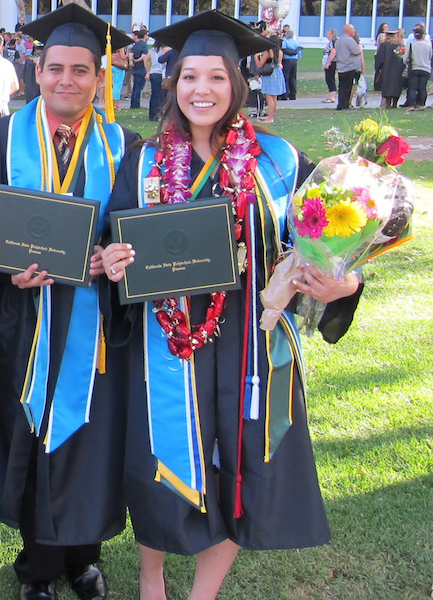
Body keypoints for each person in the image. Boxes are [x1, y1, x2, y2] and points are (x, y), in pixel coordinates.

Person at [99, 12, 363, 600]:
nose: (202, 90)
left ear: (236, 85)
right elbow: (112, 244)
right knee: (159, 462)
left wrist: (342, 283)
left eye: (216, 77)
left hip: (250, 339)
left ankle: (203, 594)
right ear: (173, 84)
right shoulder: (142, 161)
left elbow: (327, 243)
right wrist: (112, 261)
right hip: (165, 342)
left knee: (240, 464)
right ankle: (151, 581)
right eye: (189, 76)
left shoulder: (280, 161)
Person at [0, 6, 138, 600]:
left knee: (89, 440)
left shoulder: (125, 145)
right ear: (36, 72)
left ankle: (83, 558)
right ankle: (38, 569)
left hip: (96, 327)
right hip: (23, 323)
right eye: (55, 68)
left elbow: (134, 228)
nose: (67, 80)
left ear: (100, 78)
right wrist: (2, 269)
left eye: (81, 70)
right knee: (35, 434)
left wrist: (115, 256)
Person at [255, 34, 285, 123]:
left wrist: (256, 57)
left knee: (269, 96)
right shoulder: (280, 52)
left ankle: (270, 118)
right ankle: (271, 115)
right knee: (274, 96)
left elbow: (260, 64)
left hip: (269, 74)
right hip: (277, 73)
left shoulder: (268, 52)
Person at [374, 29, 406, 109]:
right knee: (397, 86)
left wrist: (378, 68)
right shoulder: (401, 46)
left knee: (387, 86)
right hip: (398, 70)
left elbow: (379, 58)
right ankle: (395, 103)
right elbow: (402, 59)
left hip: (387, 70)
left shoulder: (384, 45)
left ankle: (388, 103)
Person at [335, 24, 361, 110]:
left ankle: (340, 104)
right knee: (347, 88)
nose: (354, 31)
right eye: (353, 30)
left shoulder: (338, 41)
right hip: (349, 67)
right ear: (348, 31)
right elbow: (356, 51)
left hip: (341, 67)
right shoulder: (349, 40)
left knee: (341, 87)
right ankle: (345, 104)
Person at [405, 27, 431, 111]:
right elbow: (430, 56)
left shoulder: (412, 45)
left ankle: (412, 105)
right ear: (423, 35)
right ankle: (421, 105)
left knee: (413, 88)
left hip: (415, 68)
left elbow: (406, 58)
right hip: (426, 68)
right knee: (422, 88)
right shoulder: (428, 45)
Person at [129, 27, 149, 109]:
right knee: (139, 87)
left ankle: (133, 103)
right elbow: (144, 56)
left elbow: (131, 54)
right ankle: (136, 104)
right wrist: (137, 60)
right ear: (144, 36)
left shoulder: (135, 44)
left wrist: (132, 61)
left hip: (135, 68)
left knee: (135, 87)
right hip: (141, 67)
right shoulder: (144, 45)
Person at [148, 40, 167, 121]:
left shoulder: (152, 50)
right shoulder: (164, 50)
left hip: (153, 72)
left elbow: (146, 60)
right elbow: (164, 62)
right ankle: (158, 114)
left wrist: (148, 70)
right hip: (160, 73)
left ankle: (152, 114)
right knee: (160, 95)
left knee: (154, 95)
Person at [280, 28, 301, 100]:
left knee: (286, 77)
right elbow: (299, 53)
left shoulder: (285, 42)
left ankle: (285, 94)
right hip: (294, 60)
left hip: (287, 60)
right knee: (293, 77)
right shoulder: (296, 43)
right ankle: (293, 94)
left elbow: (283, 51)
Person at [322, 29, 338, 103]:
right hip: (329, 62)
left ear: (332, 35)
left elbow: (333, 52)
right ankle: (330, 95)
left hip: (331, 63)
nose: (327, 35)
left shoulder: (333, 42)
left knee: (330, 79)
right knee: (329, 79)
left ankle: (332, 97)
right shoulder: (331, 42)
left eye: (328, 34)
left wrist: (328, 63)